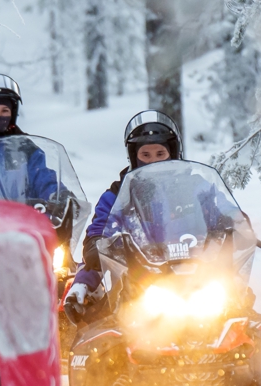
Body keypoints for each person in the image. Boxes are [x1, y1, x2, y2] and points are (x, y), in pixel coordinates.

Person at [65, 111, 182, 313]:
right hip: (137, 285)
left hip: (194, 279)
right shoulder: (117, 196)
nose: (153, 161)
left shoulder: (192, 189)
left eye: (160, 154)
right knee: (103, 330)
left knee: (239, 316)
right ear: (134, 157)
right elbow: (100, 235)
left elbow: (221, 212)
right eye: (145, 155)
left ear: (172, 153)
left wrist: (235, 224)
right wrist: (94, 251)